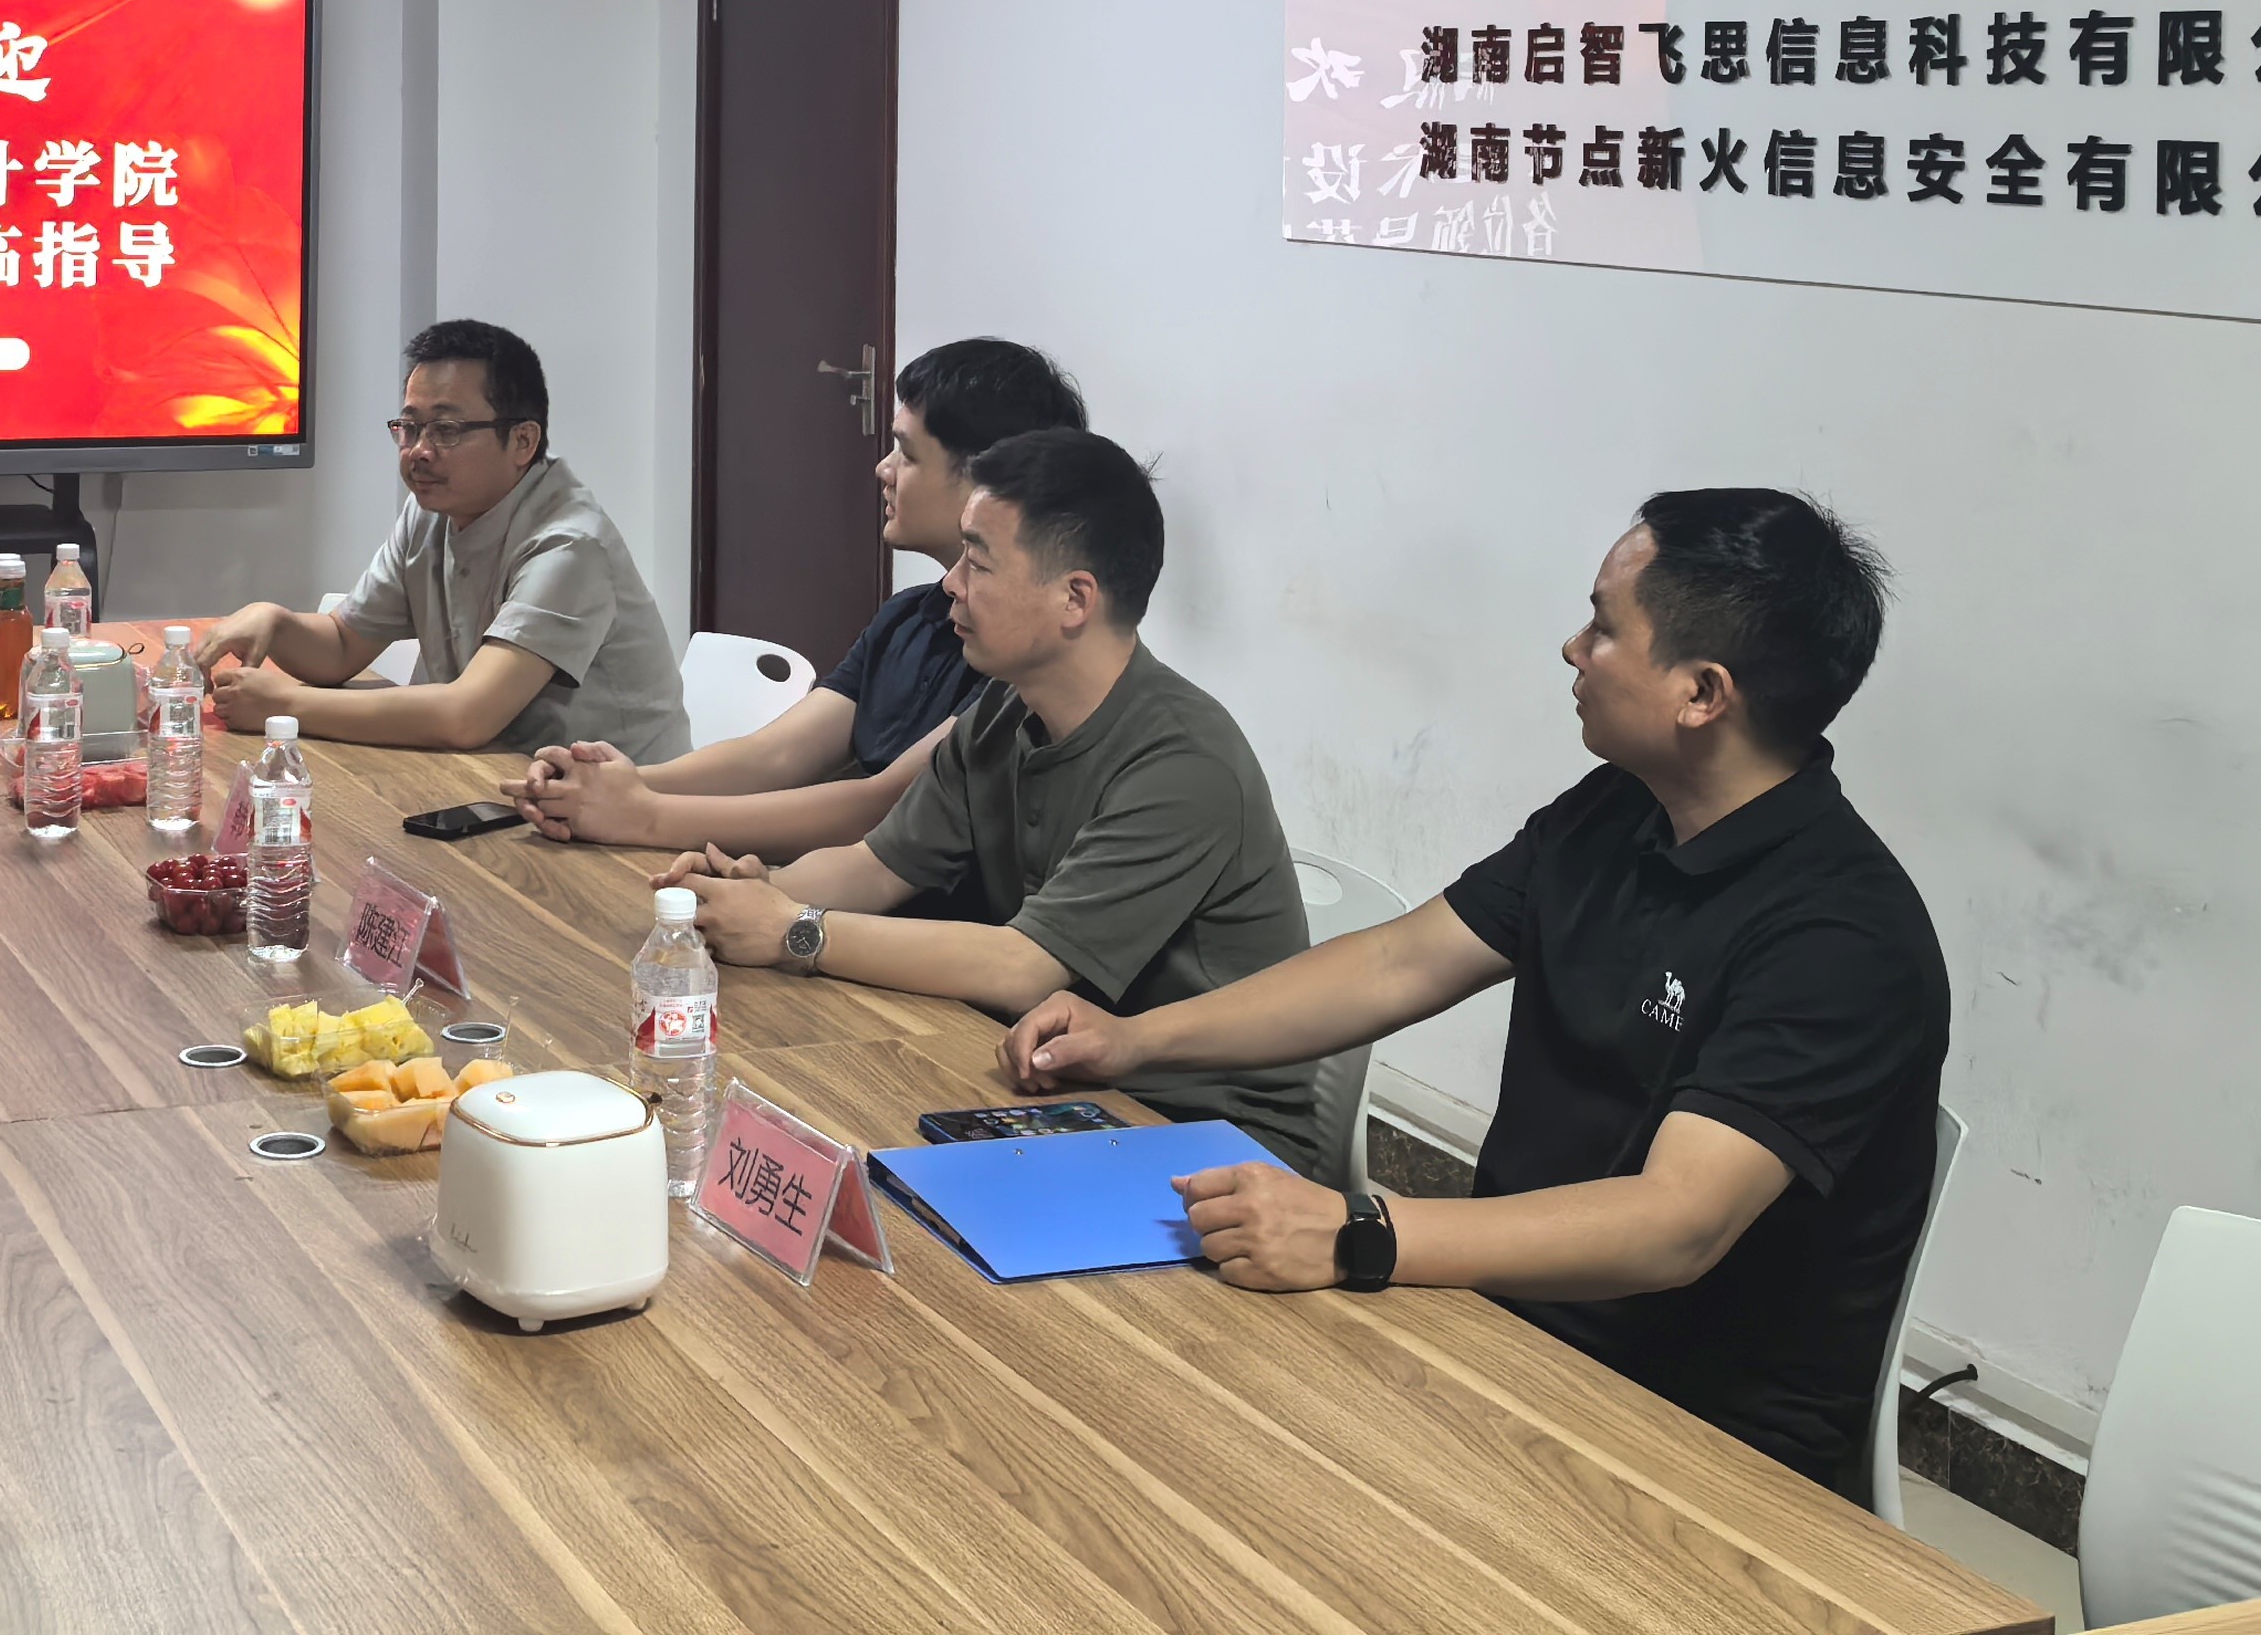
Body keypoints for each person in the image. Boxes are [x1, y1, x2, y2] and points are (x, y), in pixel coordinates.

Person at [996, 489, 1949, 1491]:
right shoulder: (1616, 812)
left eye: (1603, 628)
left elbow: (1677, 1223)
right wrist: (1134, 1039)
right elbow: (1397, 962)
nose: (1572, 650)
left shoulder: (1842, 937)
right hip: (1499, 1330)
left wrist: (1359, 1233)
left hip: (1693, 1446)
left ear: (1702, 693)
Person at [664, 427, 1323, 1174]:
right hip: (1061, 1093)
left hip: (1210, 1140)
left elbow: (1021, 967)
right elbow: (874, 866)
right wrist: (752, 892)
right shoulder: (1004, 713)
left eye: (977, 562)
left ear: (1074, 598)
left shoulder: (1183, 763)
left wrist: (793, 931)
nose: (951, 584)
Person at [508, 335, 1082, 861]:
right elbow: (775, 755)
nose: (883, 469)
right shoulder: (909, 616)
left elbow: (881, 809)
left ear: (988, 479)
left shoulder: (1025, 658)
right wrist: (622, 782)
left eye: (907, 453)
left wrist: (643, 814)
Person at [195, 319, 689, 760]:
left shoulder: (570, 545)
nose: (419, 451)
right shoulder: (432, 510)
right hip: (490, 778)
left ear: (523, 440)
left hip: (616, 810)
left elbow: (466, 716)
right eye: (410, 428)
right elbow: (343, 646)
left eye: (447, 430)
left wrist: (286, 704)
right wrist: (275, 621)